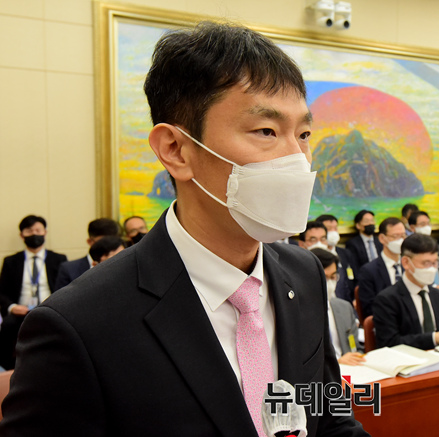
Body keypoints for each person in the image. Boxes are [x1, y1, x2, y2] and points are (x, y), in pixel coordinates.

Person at [0, 22, 368, 436]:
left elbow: (329, 417)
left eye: (304, 134)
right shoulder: (79, 325)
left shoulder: (303, 273)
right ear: (175, 150)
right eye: (266, 131)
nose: (297, 159)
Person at [373, 234, 439, 349]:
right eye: (426, 263)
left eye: (434, 263)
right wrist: (433, 338)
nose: (431, 269)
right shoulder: (387, 299)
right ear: (406, 263)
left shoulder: (438, 295)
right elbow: (390, 343)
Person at [0, 215, 68, 370]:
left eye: (38, 230)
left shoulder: (59, 259)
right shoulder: (11, 261)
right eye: (29, 231)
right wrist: (12, 307)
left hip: (51, 309)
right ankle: (8, 370)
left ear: (45, 232)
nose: (34, 234)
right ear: (22, 235)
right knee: (7, 326)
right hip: (20, 312)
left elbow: (65, 288)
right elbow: (2, 292)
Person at [310, 248, 365, 366]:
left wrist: (357, 357)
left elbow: (356, 348)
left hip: (352, 370)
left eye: (333, 277)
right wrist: (338, 362)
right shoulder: (298, 314)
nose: (330, 284)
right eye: (324, 277)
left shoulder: (344, 308)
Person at [357, 217, 406, 320]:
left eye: (402, 236)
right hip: (386, 320)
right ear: (382, 238)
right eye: (395, 236)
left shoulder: (409, 265)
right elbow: (369, 308)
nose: (400, 240)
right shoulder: (369, 271)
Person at [54, 218, 121, 290]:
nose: (109, 247)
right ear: (90, 241)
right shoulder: (69, 269)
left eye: (114, 243)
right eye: (103, 243)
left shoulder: (122, 263)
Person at [300, 221, 351, 303]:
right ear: (302, 244)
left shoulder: (334, 266)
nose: (319, 243)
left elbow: (345, 295)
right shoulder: (298, 271)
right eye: (313, 240)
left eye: (323, 239)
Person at [407, 211, 439, 293]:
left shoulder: (437, 246)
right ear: (412, 227)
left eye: (428, 223)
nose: (427, 227)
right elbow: (413, 276)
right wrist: (435, 287)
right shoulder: (409, 249)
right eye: (422, 224)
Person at [316, 214, 356, 302]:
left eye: (335, 228)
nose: (333, 232)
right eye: (329, 228)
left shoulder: (345, 253)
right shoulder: (317, 256)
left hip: (345, 300)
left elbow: (352, 277)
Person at [345, 209, 382, 275]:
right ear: (358, 225)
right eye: (366, 221)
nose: (370, 223)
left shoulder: (380, 241)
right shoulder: (352, 244)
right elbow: (354, 267)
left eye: (372, 220)